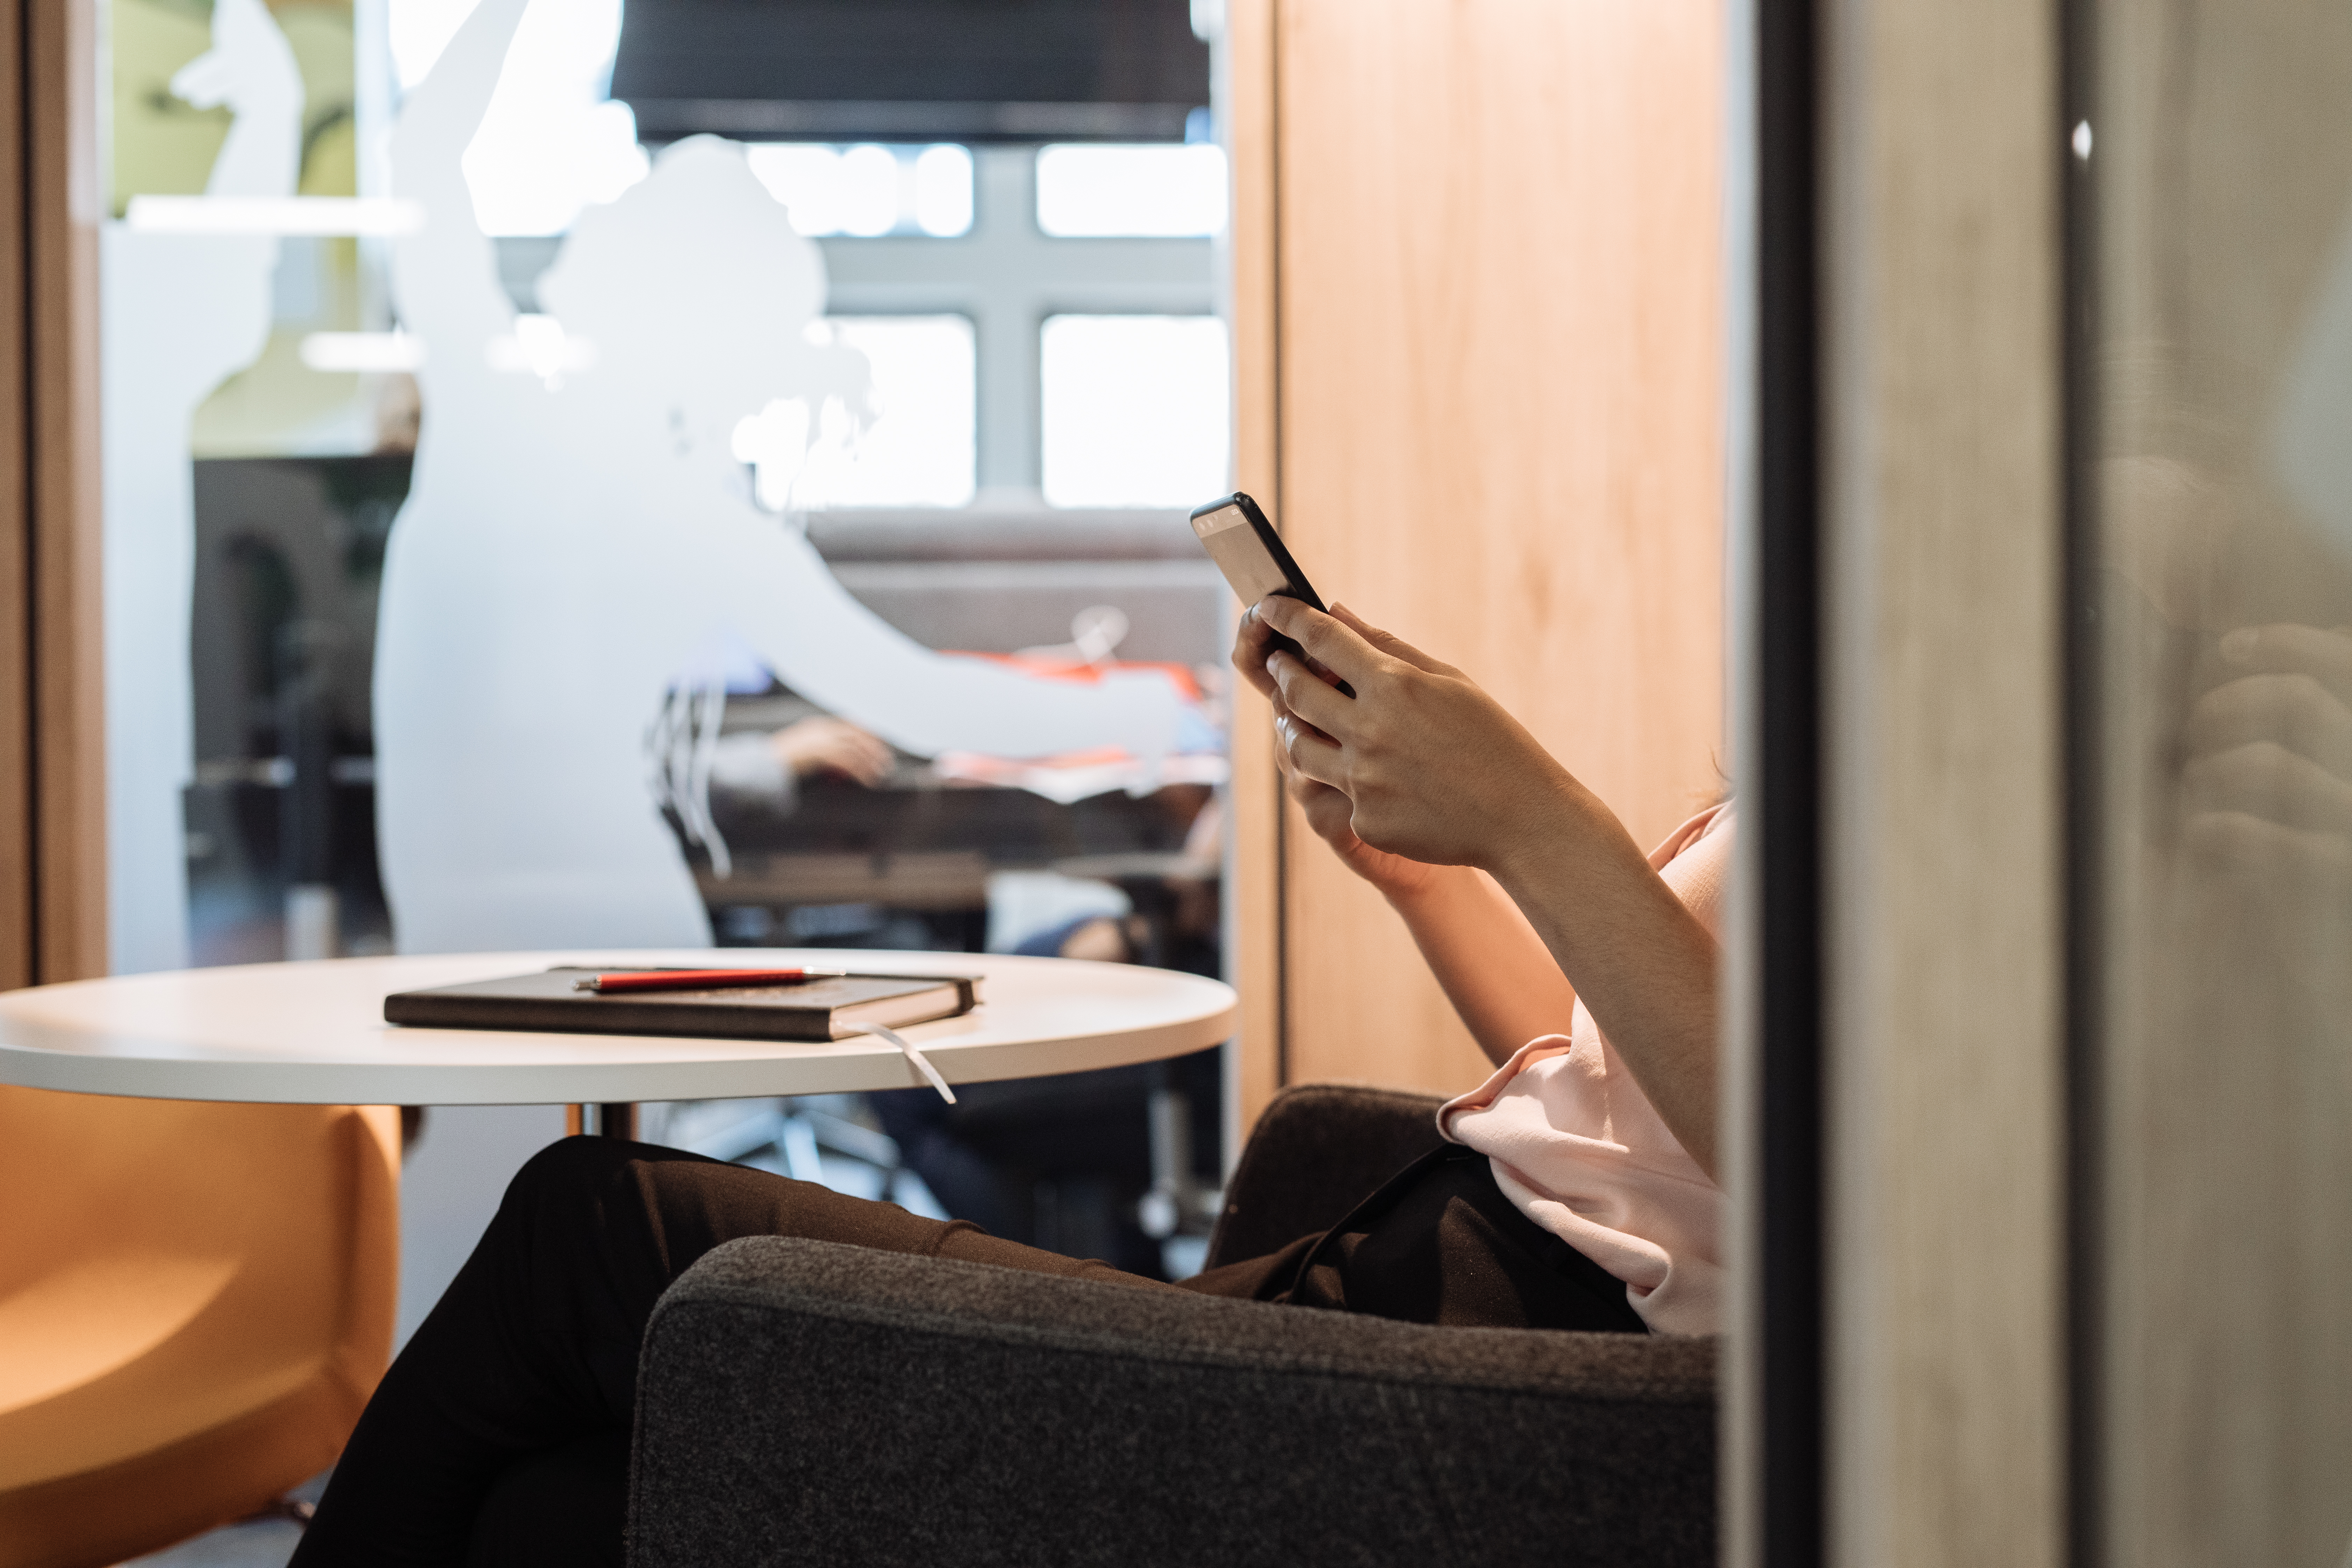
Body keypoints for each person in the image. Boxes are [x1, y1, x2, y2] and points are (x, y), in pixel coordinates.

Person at [289, 594, 1730, 1567]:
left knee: (596, 1222)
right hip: (1387, 1304)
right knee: (554, 1511)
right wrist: (1426, 880)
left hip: (1485, 1392)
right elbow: (1628, 1085)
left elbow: (1818, 1173)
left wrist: (1543, 824)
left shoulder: (1931, 836)